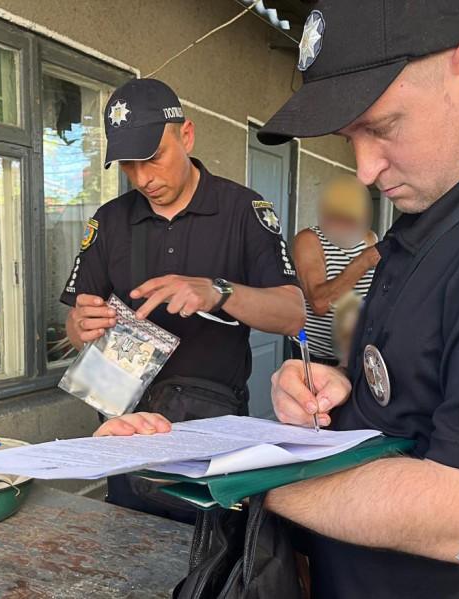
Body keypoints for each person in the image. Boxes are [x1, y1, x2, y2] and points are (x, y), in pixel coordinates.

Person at [97, 1, 459, 596]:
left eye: (383, 127)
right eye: (350, 137)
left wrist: (225, 468)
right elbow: (423, 390)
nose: (363, 170)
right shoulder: (437, 213)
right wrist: (346, 392)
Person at [62, 78, 305, 521]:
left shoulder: (244, 212)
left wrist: (219, 291)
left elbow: (292, 314)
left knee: (211, 551)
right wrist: (80, 328)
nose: (143, 179)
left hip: (211, 428)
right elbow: (78, 325)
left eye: (153, 159)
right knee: (131, 543)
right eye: (129, 166)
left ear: (186, 135)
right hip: (129, 427)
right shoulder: (109, 221)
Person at [292, 174, 379, 365]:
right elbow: (319, 303)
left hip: (356, 353)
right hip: (318, 357)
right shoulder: (309, 240)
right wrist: (364, 261)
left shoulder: (369, 238)